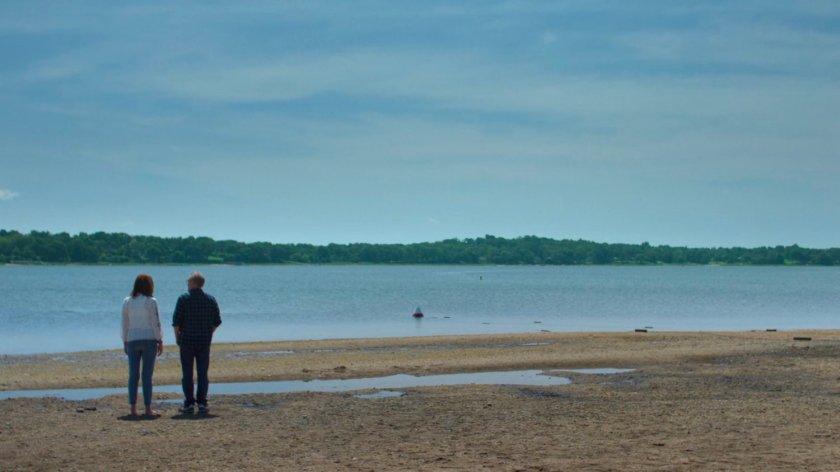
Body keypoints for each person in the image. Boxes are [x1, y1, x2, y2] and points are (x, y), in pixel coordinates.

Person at [172, 271, 222, 414]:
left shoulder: (183, 299)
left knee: (187, 373)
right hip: (204, 341)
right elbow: (217, 321)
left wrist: (177, 337)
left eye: (188, 281)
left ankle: (189, 403)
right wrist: (209, 333)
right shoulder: (210, 299)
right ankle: (202, 402)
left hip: (187, 341)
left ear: (193, 283)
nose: (187, 284)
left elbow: (176, 322)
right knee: (202, 373)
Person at [121, 273, 164, 416]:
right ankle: (147, 408)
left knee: (133, 374)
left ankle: (133, 408)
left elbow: (124, 323)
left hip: (132, 339)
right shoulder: (151, 301)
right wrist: (159, 339)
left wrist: (125, 340)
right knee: (147, 375)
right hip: (149, 339)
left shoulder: (127, 301)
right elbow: (155, 322)